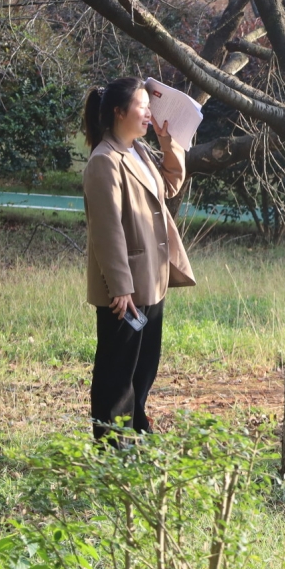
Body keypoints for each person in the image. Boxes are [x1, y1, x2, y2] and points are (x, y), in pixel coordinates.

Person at [82, 76, 195, 441]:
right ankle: (112, 446)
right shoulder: (105, 160)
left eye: (149, 107)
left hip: (152, 278)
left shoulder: (139, 151)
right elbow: (107, 230)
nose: (149, 114)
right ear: (119, 112)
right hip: (125, 288)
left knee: (143, 368)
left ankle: (136, 432)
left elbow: (170, 186)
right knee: (117, 371)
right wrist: (120, 287)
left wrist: (168, 142)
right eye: (142, 107)